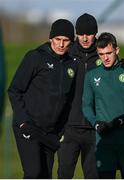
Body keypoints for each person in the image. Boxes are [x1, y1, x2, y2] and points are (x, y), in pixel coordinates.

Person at [57, 13, 124, 179]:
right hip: (69, 127)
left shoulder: (102, 54)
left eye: (90, 33)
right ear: (76, 34)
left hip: (95, 129)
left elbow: (114, 63)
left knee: (93, 176)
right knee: (64, 174)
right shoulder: (66, 52)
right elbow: (48, 53)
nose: (85, 38)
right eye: (81, 34)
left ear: (96, 33)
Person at [8, 19, 77, 179]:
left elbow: (70, 99)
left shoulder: (71, 64)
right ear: (51, 38)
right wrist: (24, 121)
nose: (61, 44)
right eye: (58, 39)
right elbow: (14, 90)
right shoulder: (35, 57)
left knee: (45, 175)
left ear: (71, 42)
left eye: (66, 40)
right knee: (33, 173)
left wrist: (61, 129)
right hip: (28, 127)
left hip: (51, 132)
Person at [82, 32, 124, 179]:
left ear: (117, 50)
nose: (105, 58)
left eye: (109, 53)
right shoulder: (91, 76)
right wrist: (96, 123)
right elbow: (86, 106)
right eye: (101, 54)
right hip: (105, 141)